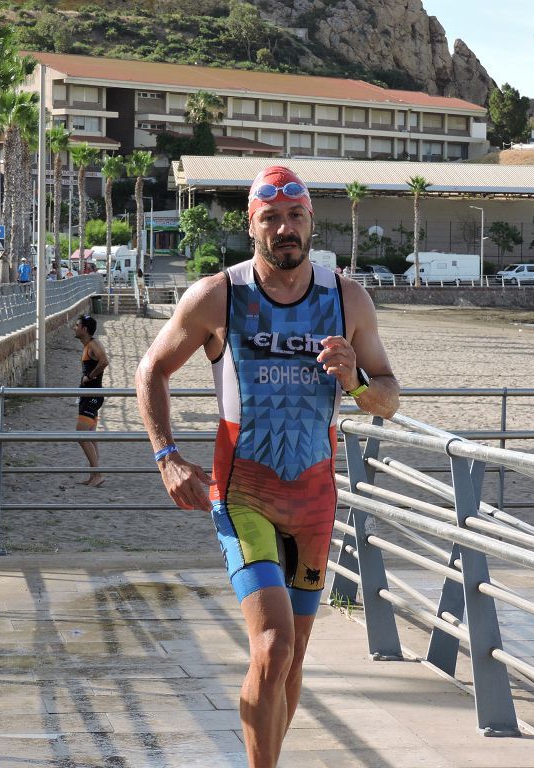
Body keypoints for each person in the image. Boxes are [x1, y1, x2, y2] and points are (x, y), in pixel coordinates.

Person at [135, 165, 399, 767]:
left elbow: (388, 397)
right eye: (271, 217)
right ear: (252, 225)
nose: (285, 228)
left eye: (295, 216)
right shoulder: (219, 296)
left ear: (310, 222)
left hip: (313, 502)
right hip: (243, 494)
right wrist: (167, 456)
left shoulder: (345, 298)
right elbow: (151, 369)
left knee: (294, 657)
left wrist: (355, 380)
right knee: (273, 646)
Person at [74, 314, 109, 487]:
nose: (75, 327)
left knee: (81, 434)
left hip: (92, 396)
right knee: (90, 436)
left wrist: (89, 376)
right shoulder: (89, 345)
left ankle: (98, 474)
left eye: (77, 325)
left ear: (85, 329)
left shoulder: (93, 345)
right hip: (89, 395)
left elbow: (104, 361)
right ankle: (94, 475)